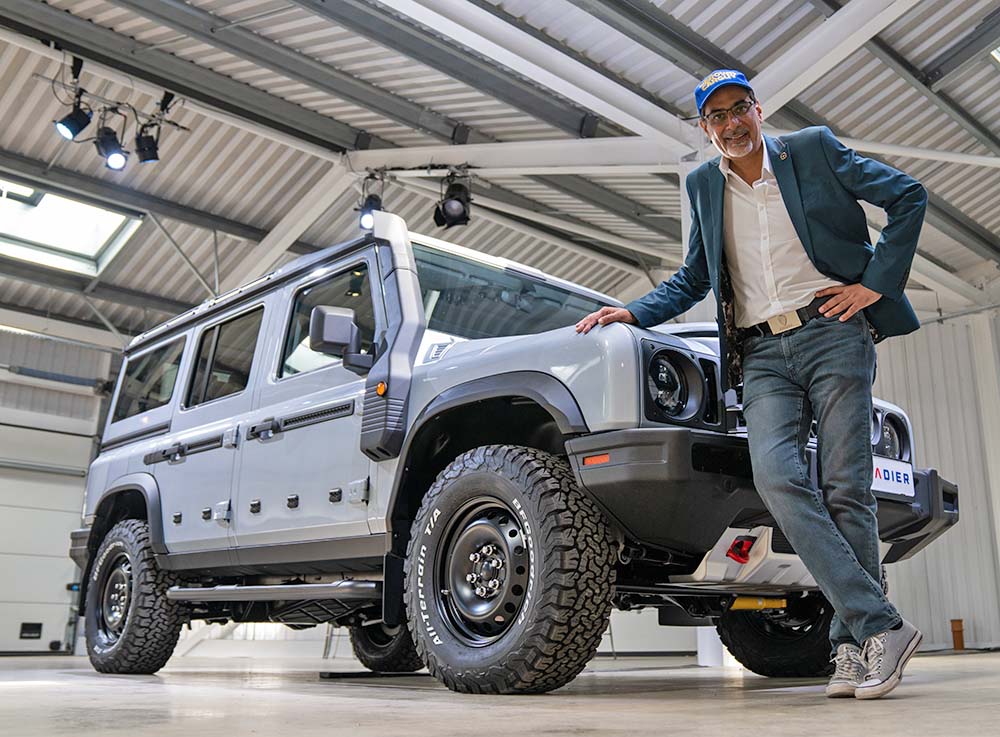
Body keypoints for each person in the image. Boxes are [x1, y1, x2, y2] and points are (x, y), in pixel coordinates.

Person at [576, 70, 927, 700]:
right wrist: (633, 311)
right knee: (777, 478)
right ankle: (881, 625)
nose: (731, 123)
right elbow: (695, 277)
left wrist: (875, 285)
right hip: (760, 352)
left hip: (832, 331)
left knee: (846, 489)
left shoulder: (813, 149)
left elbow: (908, 196)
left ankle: (851, 646)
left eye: (740, 108)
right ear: (705, 128)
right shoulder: (703, 185)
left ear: (758, 111)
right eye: (717, 116)